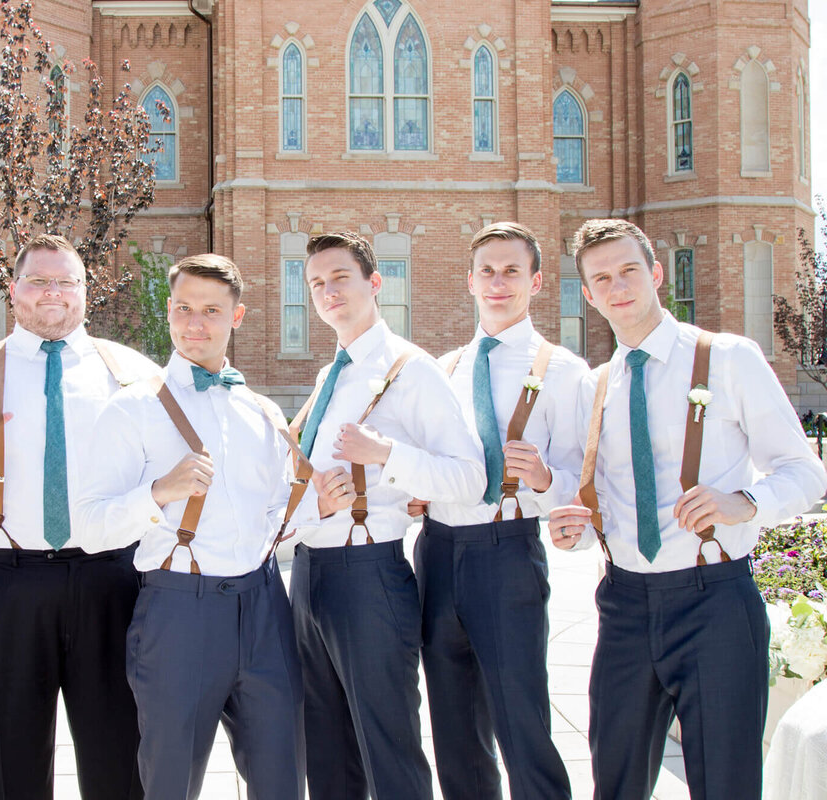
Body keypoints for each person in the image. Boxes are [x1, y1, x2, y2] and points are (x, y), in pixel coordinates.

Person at [548, 218, 827, 800]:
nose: (618, 286)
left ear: (655, 274)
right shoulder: (594, 385)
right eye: (602, 278)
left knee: (725, 784)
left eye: (629, 270)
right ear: (589, 296)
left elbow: (806, 473)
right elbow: (591, 496)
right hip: (623, 605)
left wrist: (745, 502)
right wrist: (571, 524)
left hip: (715, 602)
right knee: (615, 783)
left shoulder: (728, 359)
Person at [76, 253, 355, 800]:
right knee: (171, 780)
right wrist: (160, 492)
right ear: (170, 312)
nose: (195, 323)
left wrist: (316, 506)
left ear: (238, 317)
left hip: (264, 608)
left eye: (210, 310)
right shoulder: (131, 408)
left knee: (281, 776)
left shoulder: (262, 412)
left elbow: (275, 519)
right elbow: (90, 527)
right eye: (184, 308)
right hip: (179, 613)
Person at [0, 234, 158, 800]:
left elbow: (179, 469)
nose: (53, 293)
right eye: (39, 280)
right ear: (13, 289)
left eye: (67, 281)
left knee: (122, 763)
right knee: (3, 768)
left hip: (112, 583)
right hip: (1, 586)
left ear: (86, 292)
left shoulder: (132, 373)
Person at [287, 231, 485, 799]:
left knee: (388, 750)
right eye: (317, 283)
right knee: (325, 752)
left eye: (340, 278)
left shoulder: (411, 369)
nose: (328, 292)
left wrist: (386, 455)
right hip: (308, 573)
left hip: (368, 576)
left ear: (375, 283)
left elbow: (470, 478)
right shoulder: (332, 375)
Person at [421, 222, 586, 799]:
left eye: (512, 270)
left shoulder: (564, 371)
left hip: (507, 551)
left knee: (522, 723)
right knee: (454, 730)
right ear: (469, 281)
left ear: (536, 281)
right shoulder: (442, 370)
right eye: (487, 271)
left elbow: (582, 485)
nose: (498, 282)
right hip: (436, 552)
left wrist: (544, 477)